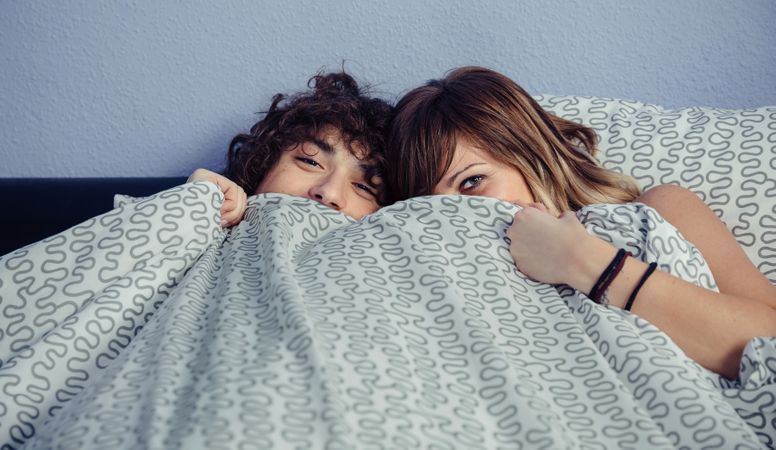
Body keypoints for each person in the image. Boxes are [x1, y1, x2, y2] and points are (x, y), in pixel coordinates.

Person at [385, 66, 776, 379]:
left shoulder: (656, 213)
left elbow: (768, 340)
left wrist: (582, 260)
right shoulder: (440, 269)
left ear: (531, 156)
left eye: (472, 182)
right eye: (431, 203)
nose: (456, 213)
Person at [187, 71, 392, 225]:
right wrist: (192, 209)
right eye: (311, 161)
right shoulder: (206, 222)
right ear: (263, 165)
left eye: (364, 187)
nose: (329, 194)